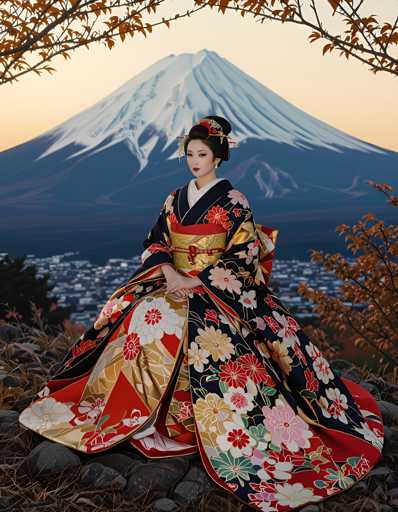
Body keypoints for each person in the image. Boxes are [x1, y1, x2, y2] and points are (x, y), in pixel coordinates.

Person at [19, 116, 384, 511]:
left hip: (216, 287)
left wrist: (200, 281)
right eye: (190, 154)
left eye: (202, 155)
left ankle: (191, 424)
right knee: (141, 313)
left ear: (218, 158)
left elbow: (244, 253)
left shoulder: (234, 201)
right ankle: (137, 415)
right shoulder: (173, 198)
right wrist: (171, 273)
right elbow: (156, 240)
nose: (195, 161)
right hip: (171, 280)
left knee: (207, 338)